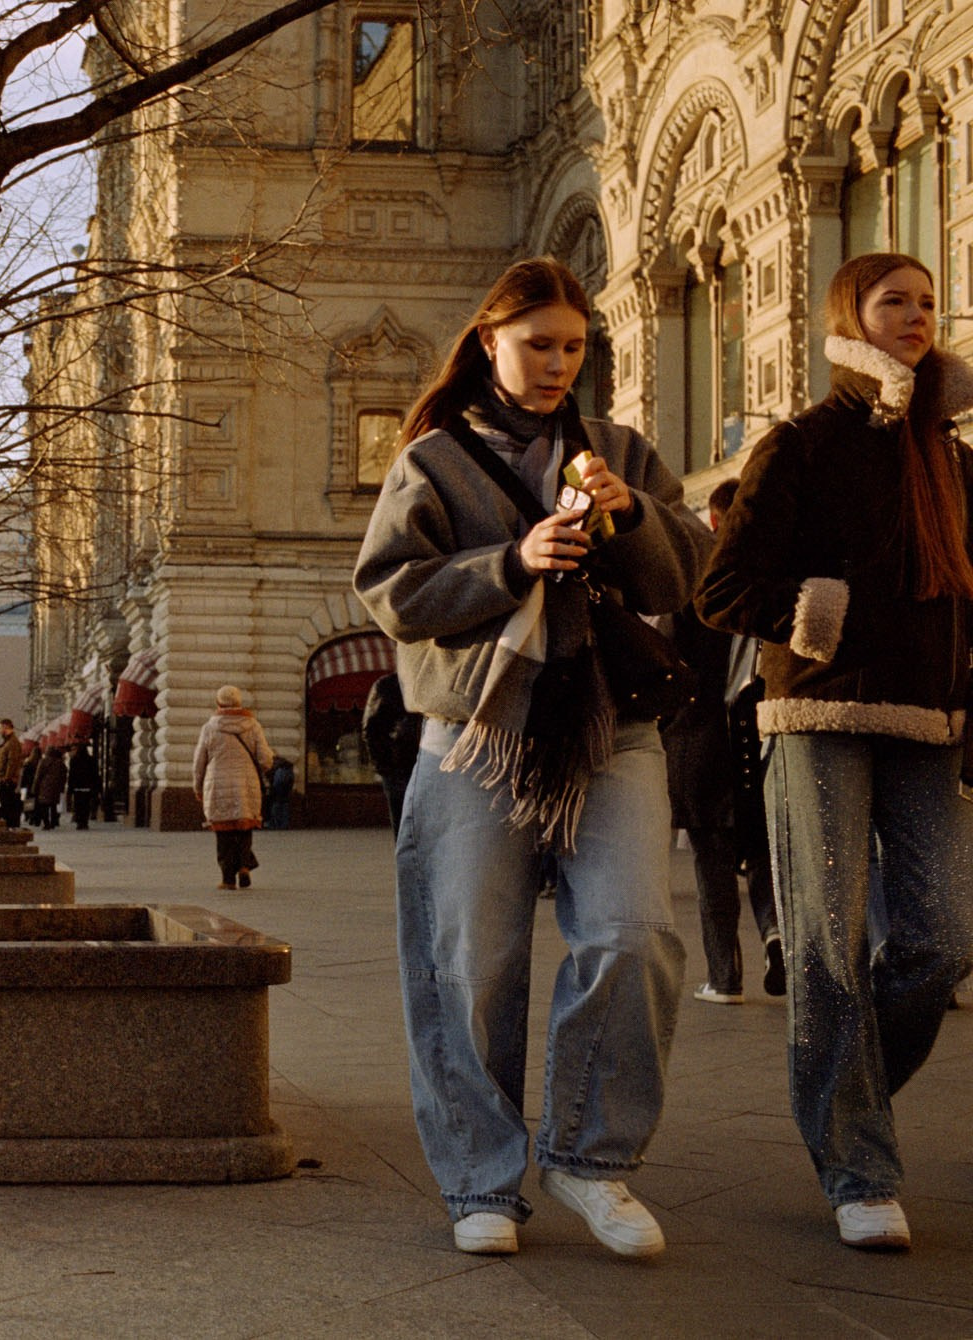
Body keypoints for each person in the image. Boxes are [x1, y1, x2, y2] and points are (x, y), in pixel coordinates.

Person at [353, 257, 709, 1260]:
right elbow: (390, 588)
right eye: (537, 344)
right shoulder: (430, 460)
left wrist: (630, 515)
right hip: (474, 736)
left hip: (608, 731)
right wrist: (511, 563)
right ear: (488, 343)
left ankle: (591, 1160)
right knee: (471, 961)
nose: (557, 363)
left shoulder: (618, 451)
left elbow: (687, 571)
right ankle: (479, 1178)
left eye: (572, 346)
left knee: (632, 934)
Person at [695, 252, 973, 1252]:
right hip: (815, 718)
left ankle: (841, 1100)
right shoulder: (801, 444)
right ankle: (857, 1163)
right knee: (822, 948)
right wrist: (804, 612)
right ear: (847, 314)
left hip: (926, 727)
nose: (912, 315)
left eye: (926, 303)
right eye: (890, 300)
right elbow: (720, 589)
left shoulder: (949, 454)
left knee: (940, 938)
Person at [665, 485, 779, 1005]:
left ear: (713, 523)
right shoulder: (769, 577)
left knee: (712, 860)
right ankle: (776, 936)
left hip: (702, 733)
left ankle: (724, 978)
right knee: (760, 849)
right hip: (758, 732)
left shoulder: (694, 581)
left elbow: (664, 654)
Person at [192, 686, 273, 890]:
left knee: (224, 832)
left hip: (217, 784)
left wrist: (197, 786)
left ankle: (228, 879)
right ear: (239, 703)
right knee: (244, 827)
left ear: (218, 703)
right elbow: (265, 759)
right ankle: (245, 866)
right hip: (247, 783)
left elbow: (199, 761)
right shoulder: (253, 725)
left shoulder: (209, 727)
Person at [362, 673, 422, 832]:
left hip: (430, 766)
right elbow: (371, 729)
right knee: (405, 829)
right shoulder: (388, 686)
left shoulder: (432, 681)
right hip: (399, 769)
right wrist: (386, 769)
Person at [0, 719, 25, 829]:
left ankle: (11, 827)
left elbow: (12, 762)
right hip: (4, 779)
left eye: (0, 728)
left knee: (8, 806)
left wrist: (7, 778)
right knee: (6, 805)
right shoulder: (8, 742)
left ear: (6, 727)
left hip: (7, 780)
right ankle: (9, 826)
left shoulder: (12, 743)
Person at [33, 739, 66, 831]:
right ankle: (53, 822)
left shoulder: (43, 761)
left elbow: (38, 776)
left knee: (44, 806)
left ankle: (46, 823)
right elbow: (64, 774)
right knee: (53, 805)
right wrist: (62, 786)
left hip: (44, 787)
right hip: (56, 787)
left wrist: (34, 788)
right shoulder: (59, 763)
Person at [66, 741, 100, 831]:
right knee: (86, 805)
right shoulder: (91, 760)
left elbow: (71, 775)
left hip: (77, 786)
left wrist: (70, 788)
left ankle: (79, 822)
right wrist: (96, 787)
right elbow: (95, 775)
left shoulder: (74, 760)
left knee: (78, 805)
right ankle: (84, 822)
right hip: (87, 786)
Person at [264, 755, 296, 830]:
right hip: (286, 792)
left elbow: (277, 783)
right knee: (284, 808)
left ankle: (275, 824)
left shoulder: (280, 770)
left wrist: (274, 790)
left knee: (276, 808)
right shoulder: (289, 769)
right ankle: (283, 825)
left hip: (278, 792)